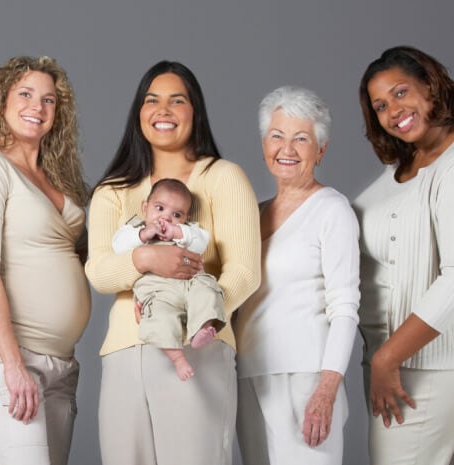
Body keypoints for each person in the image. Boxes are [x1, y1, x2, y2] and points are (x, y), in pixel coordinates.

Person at [85, 60, 261, 465]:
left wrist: (200, 318)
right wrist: (146, 256)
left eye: (176, 100)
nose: (163, 110)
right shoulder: (113, 191)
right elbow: (99, 272)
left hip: (198, 347)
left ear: (194, 112)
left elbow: (244, 272)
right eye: (152, 100)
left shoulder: (223, 177)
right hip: (125, 352)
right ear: (138, 113)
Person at [0, 55, 91, 465]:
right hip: (7, 356)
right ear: (1, 102)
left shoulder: (57, 178)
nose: (38, 107)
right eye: (26, 94)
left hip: (61, 364)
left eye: (49, 100)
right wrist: (12, 364)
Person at [234, 86, 360, 465]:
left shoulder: (332, 210)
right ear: (263, 144)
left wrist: (326, 388)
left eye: (301, 139)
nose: (286, 149)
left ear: (320, 150)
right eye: (277, 136)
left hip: (307, 377)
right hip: (248, 375)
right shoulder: (251, 214)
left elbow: (345, 305)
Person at [355, 46, 454, 465]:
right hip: (385, 362)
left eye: (400, 93)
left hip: (427, 367)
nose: (393, 110)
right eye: (380, 105)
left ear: (430, 88)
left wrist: (389, 356)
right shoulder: (402, 168)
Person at [111, 177, 224, 380]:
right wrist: (145, 234)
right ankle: (178, 360)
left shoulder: (188, 232)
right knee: (159, 318)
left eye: (176, 214)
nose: (166, 218)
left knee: (207, 291)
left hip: (189, 283)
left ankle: (203, 328)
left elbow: (201, 243)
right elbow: (118, 247)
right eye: (160, 208)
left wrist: (179, 232)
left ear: (185, 217)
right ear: (145, 207)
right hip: (159, 292)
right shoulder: (134, 231)